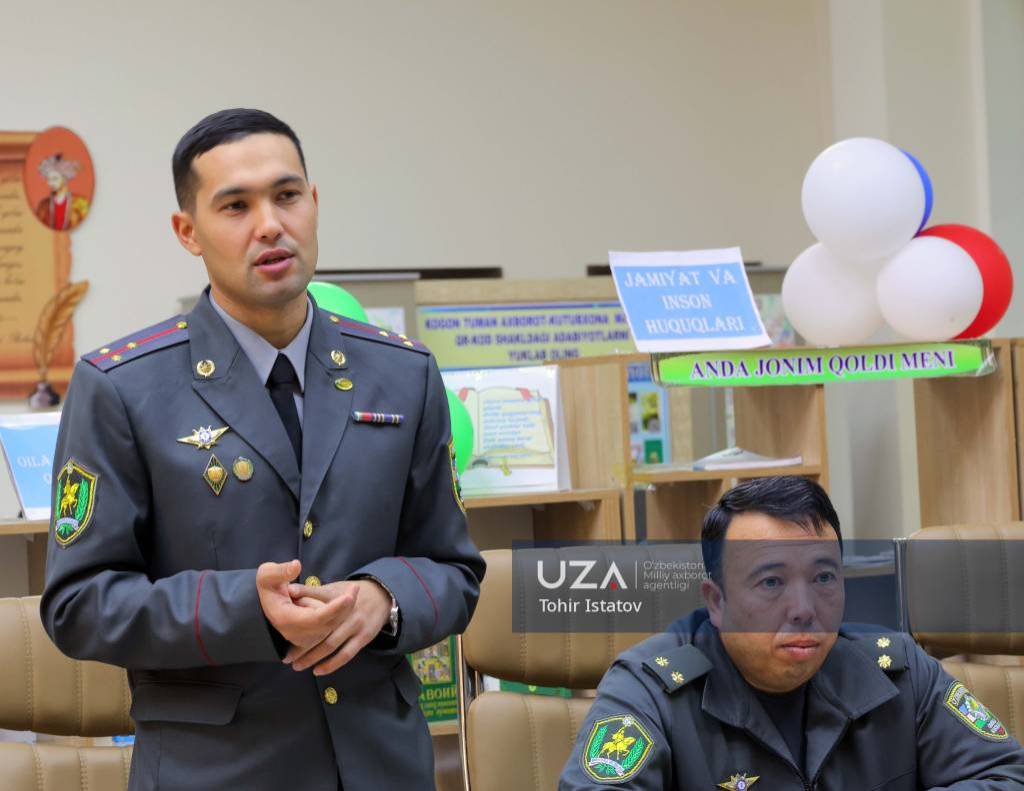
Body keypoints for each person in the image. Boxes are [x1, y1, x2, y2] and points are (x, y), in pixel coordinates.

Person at [41, 108, 485, 791]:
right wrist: (246, 610)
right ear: (188, 232)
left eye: (286, 195)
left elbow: (453, 568)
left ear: (315, 202)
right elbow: (79, 603)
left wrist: (385, 597)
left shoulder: (403, 373)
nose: (270, 224)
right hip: (216, 769)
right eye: (236, 206)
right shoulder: (123, 387)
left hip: (381, 763)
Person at [559, 476, 1024, 789]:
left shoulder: (899, 672)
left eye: (823, 578)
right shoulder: (650, 691)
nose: (803, 610)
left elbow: (1004, 775)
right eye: (771, 583)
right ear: (716, 601)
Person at [34, 153, 90, 230]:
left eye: (55, 179)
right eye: (48, 179)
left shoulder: (81, 203)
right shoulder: (43, 205)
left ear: (64, 179)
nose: (50, 183)